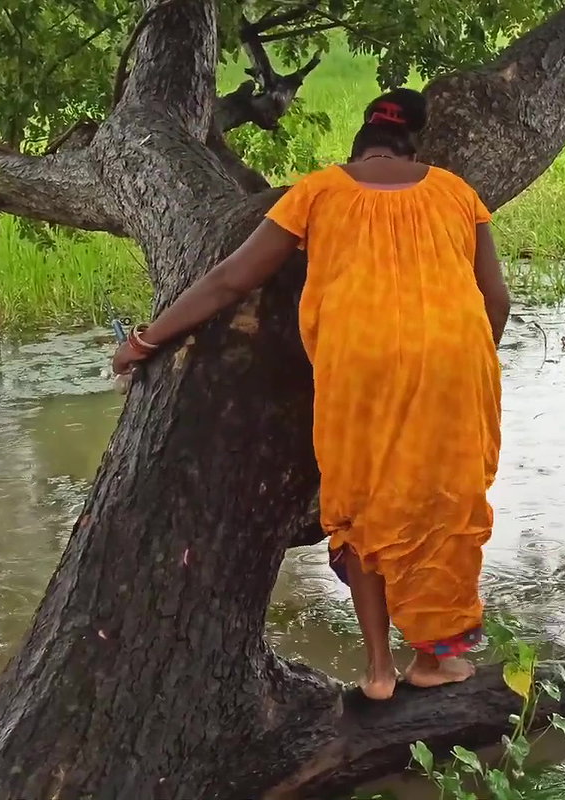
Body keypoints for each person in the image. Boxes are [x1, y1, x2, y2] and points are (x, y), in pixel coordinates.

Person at [111, 88, 510, 700]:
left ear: (362, 137)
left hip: (357, 362)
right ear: (416, 142)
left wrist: (144, 340)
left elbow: (228, 280)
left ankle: (378, 670)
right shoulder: (458, 193)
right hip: (456, 359)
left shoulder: (319, 190)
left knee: (361, 498)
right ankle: (435, 658)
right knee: (442, 498)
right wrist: (469, 363)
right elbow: (496, 300)